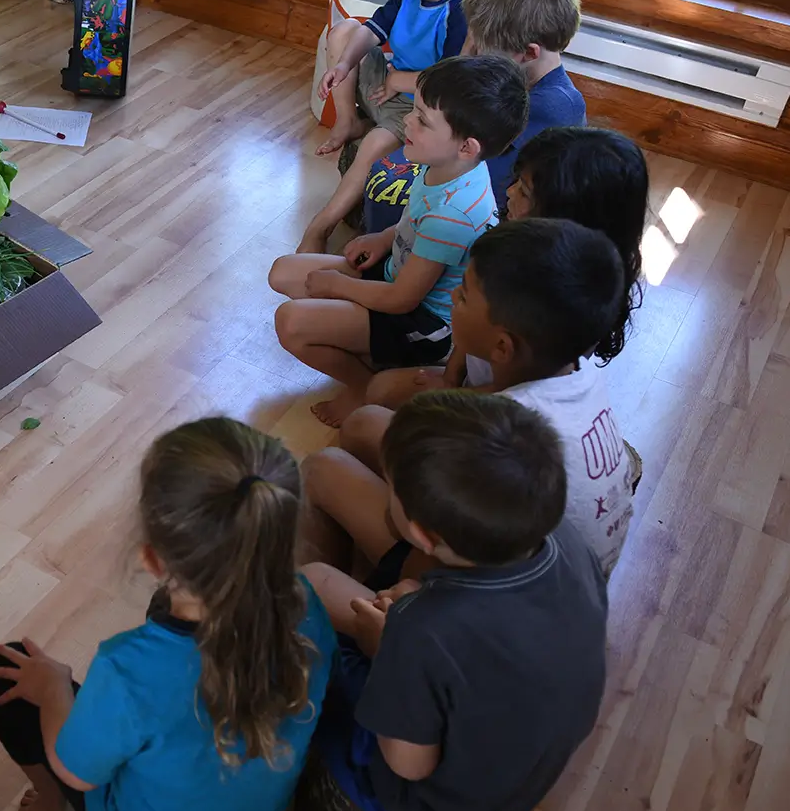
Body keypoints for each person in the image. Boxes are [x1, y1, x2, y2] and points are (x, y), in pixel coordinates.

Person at [0, 417, 334, 811]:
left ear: (151, 558)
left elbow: (74, 770)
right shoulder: (310, 607)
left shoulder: (128, 671)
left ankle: (51, 806)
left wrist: (54, 688)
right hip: (263, 805)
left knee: (4, 671)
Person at [301, 392, 608, 811]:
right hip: (501, 722)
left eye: (391, 485)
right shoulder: (561, 537)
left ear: (423, 534)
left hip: (427, 807)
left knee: (306, 584)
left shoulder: (421, 634)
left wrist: (386, 650)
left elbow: (408, 765)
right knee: (324, 468)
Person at [324, 219, 636, 577]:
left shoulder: (498, 434)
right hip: (566, 576)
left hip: (504, 596)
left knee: (326, 469)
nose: (453, 296)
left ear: (502, 347)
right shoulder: (575, 372)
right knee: (365, 422)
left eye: (465, 294)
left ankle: (373, 602)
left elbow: (415, 523)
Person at [270, 55, 528, 427]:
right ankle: (373, 354)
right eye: (415, 110)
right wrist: (385, 236)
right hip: (396, 274)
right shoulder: (445, 163)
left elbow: (401, 299)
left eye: (422, 119)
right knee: (283, 273)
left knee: (291, 323)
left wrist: (340, 286)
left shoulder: (453, 214)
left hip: (421, 321)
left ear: (467, 147)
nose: (407, 119)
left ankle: (364, 385)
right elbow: (415, 221)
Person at [363, 125, 648, 406]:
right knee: (380, 391)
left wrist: (449, 399)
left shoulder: (567, 307)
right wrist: (451, 377)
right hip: (474, 374)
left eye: (524, 192)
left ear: (566, 214)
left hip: (506, 410)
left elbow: (515, 397)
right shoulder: (510, 243)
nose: (509, 192)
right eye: (516, 182)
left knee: (373, 418)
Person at [298, 0, 500, 254]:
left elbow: (451, 82)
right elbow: (372, 31)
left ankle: (322, 224)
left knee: (372, 148)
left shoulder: (465, 12)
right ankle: (348, 121)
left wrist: (398, 80)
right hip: (388, 84)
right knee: (344, 30)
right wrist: (343, 64)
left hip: (420, 107)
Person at [359, 0, 588, 236]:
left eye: (481, 50)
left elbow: (485, 187)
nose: (474, 56)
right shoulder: (515, 79)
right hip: (456, 198)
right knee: (382, 175)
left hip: (485, 225)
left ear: (528, 53)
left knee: (386, 185)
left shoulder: (551, 108)